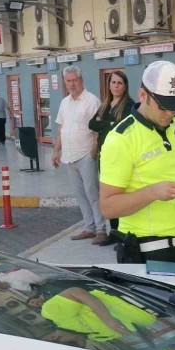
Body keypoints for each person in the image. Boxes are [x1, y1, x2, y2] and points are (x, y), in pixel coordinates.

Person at [99, 61, 175, 265]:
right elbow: (108, 207)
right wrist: (153, 193)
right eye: (163, 106)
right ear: (143, 95)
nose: (170, 113)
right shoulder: (121, 138)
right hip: (146, 253)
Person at [52, 65, 108, 245]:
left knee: (92, 193)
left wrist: (93, 154)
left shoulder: (92, 101)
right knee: (80, 194)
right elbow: (61, 128)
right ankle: (89, 227)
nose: (72, 84)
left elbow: (98, 130)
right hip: (69, 156)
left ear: (81, 80)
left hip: (85, 155)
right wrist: (56, 150)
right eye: (68, 81)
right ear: (64, 82)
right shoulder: (64, 102)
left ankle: (101, 230)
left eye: (74, 80)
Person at [88, 71, 135, 246]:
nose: (116, 86)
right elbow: (92, 124)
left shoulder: (129, 105)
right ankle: (114, 233)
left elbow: (125, 128)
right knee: (109, 196)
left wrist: (105, 125)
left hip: (120, 156)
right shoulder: (105, 105)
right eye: (113, 82)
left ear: (125, 86)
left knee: (120, 195)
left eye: (119, 83)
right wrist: (110, 124)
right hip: (105, 156)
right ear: (108, 85)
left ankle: (124, 234)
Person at [32, 287, 157, 342]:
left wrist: (108, 319)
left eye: (75, 344)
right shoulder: (96, 338)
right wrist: (142, 331)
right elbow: (125, 323)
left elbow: (74, 292)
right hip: (157, 309)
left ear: (52, 337)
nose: (82, 346)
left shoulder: (52, 314)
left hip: (137, 294)